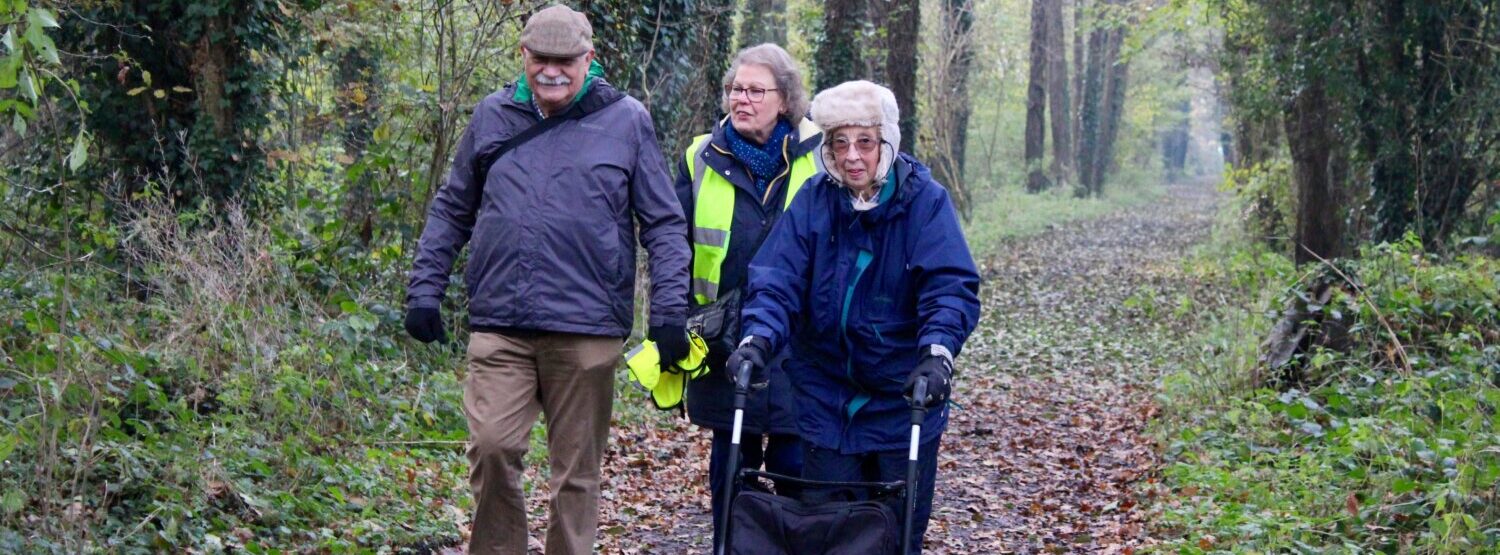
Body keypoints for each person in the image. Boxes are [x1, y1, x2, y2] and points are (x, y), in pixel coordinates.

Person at [402, 5, 690, 554]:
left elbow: (664, 222)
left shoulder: (627, 119)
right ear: (523, 57)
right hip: (501, 323)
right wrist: (424, 290)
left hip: (587, 328)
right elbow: (451, 209)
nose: (552, 71)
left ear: (590, 59)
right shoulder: (492, 115)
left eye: (566, 60)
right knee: (491, 448)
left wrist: (670, 311)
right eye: (541, 59)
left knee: (576, 474)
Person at [725, 80, 981, 554]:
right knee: (828, 532)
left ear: (887, 143)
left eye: (865, 142)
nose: (852, 156)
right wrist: (758, 337)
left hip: (904, 399)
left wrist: (938, 353)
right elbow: (777, 276)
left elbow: (949, 286)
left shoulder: (925, 202)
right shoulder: (814, 200)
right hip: (826, 398)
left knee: (896, 534)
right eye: (839, 143)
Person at [673, 43, 821, 547]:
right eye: (737, 89)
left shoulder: (822, 156)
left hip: (800, 341)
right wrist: (673, 322)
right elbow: (673, 248)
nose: (743, 99)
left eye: (757, 90)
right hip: (721, 340)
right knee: (731, 466)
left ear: (785, 100)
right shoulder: (700, 156)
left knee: (793, 464)